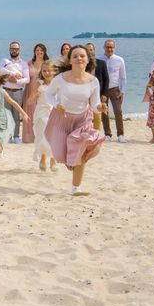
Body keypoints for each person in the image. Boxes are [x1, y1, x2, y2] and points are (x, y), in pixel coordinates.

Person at [44, 45, 107, 196]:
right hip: (62, 118)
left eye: (82, 56)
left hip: (83, 119)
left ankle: (76, 187)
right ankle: (73, 160)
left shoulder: (93, 81)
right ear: (70, 60)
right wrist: (56, 104)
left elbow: (95, 104)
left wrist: (101, 108)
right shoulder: (61, 78)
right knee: (59, 155)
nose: (79, 58)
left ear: (87, 60)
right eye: (75, 56)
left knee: (81, 148)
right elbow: (48, 94)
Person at [0, 68, 28, 168]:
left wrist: (23, 113)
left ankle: (0, 147)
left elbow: (13, 103)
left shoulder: (2, 92)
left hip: (1, 118)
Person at [0, 41, 30, 144]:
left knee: (16, 115)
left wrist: (16, 81)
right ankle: (8, 136)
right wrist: (12, 75)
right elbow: (0, 71)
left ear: (19, 50)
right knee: (6, 115)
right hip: (6, 91)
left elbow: (27, 79)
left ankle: (16, 136)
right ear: (9, 49)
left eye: (16, 49)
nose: (14, 50)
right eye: (12, 49)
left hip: (18, 92)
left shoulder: (23, 63)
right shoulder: (5, 60)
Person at [101, 39, 127, 143]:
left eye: (111, 47)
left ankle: (120, 134)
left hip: (115, 89)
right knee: (104, 112)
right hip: (103, 90)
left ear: (114, 48)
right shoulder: (99, 59)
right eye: (107, 47)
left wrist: (122, 91)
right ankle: (107, 134)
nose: (109, 49)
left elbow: (123, 77)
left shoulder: (119, 60)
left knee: (118, 112)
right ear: (104, 47)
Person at [33, 61, 57, 172]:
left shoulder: (58, 85)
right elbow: (31, 100)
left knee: (54, 136)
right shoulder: (40, 85)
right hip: (41, 112)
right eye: (44, 71)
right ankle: (43, 157)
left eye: (49, 70)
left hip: (54, 112)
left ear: (54, 71)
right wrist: (35, 95)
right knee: (41, 135)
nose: (47, 73)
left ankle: (53, 159)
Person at [22, 43, 49, 144]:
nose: (39, 52)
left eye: (41, 50)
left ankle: (43, 136)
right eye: (37, 50)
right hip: (30, 90)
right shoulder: (29, 63)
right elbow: (24, 76)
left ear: (44, 52)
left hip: (43, 91)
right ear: (34, 52)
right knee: (30, 113)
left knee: (43, 113)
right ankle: (29, 137)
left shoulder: (47, 63)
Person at [86, 43, 109, 131]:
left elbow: (106, 79)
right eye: (87, 50)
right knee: (86, 115)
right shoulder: (83, 64)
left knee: (98, 115)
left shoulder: (101, 63)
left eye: (91, 50)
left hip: (98, 94)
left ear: (94, 51)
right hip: (86, 94)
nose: (89, 52)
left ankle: (97, 133)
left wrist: (104, 94)